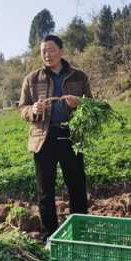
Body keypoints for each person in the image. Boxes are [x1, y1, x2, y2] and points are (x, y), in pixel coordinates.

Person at [19, 35, 92, 242]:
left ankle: (80, 232)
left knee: (76, 185)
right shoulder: (32, 79)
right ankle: (48, 235)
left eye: (51, 50)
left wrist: (78, 103)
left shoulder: (79, 76)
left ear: (61, 51)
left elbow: (91, 104)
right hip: (44, 138)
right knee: (45, 190)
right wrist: (32, 110)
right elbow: (22, 109)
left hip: (71, 136)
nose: (47, 55)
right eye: (43, 52)